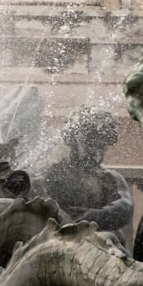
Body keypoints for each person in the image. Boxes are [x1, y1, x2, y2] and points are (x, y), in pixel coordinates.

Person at [35, 106, 133, 247]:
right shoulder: (52, 174)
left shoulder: (109, 178)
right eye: (90, 144)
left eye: (102, 147)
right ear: (72, 140)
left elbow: (125, 207)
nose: (96, 152)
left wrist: (94, 216)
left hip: (101, 243)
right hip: (59, 243)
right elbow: (40, 204)